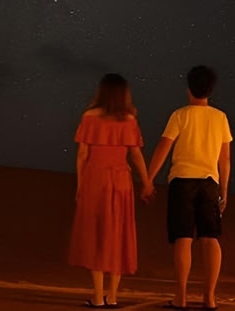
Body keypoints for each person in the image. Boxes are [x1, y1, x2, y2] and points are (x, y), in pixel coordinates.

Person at [146, 65, 233, 311]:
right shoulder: (220, 117)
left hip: (182, 181)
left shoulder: (180, 115)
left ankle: (181, 297)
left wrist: (149, 179)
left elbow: (163, 148)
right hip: (209, 182)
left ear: (188, 88)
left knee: (183, 238)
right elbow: (225, 159)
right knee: (210, 237)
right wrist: (224, 191)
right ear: (211, 89)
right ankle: (210, 297)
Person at [68, 73, 153, 308]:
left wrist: (80, 184)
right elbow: (136, 154)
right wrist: (147, 182)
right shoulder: (129, 120)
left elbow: (82, 154)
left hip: (95, 178)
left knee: (96, 235)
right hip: (121, 179)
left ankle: (97, 297)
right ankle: (113, 296)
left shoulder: (89, 117)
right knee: (118, 234)